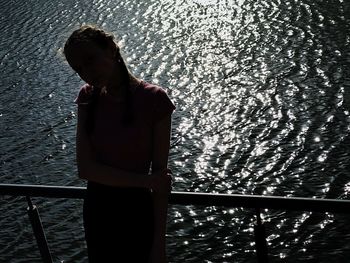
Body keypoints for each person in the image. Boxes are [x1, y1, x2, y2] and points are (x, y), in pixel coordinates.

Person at [63, 25, 176, 263]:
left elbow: (161, 182)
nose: (87, 72)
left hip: (137, 212)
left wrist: (158, 246)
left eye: (90, 59)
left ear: (112, 49)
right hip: (98, 211)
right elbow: (85, 169)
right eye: (79, 69)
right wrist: (145, 181)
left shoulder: (155, 100)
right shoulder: (87, 98)